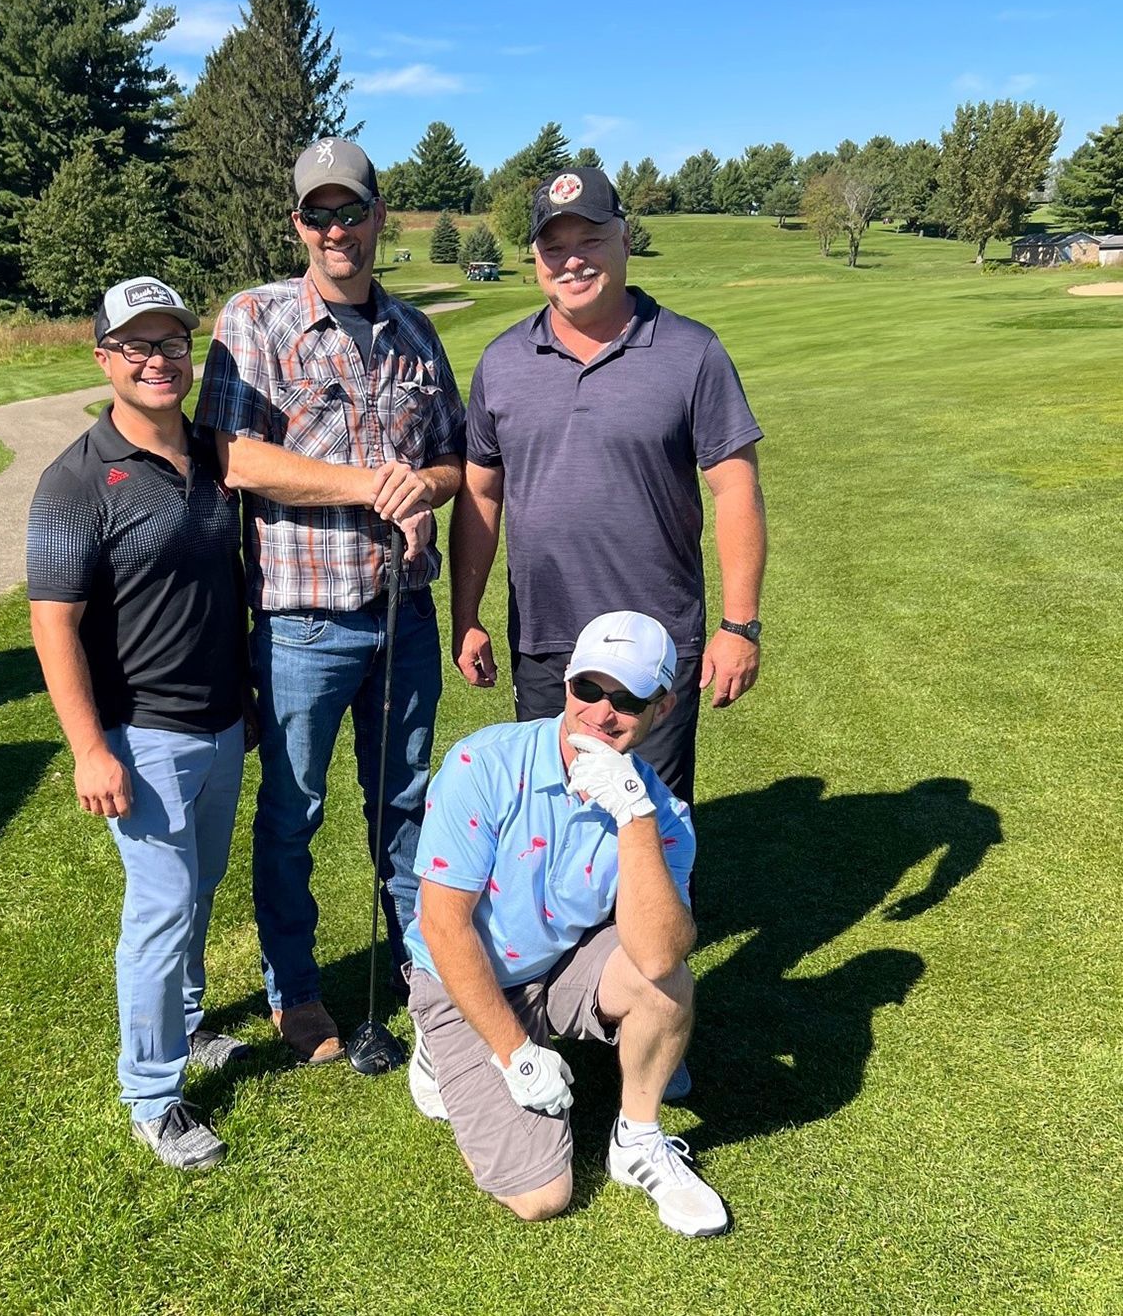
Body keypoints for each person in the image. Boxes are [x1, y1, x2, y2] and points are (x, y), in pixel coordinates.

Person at [195, 138, 466, 1065]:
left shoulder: (417, 334)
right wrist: (367, 487)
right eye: (318, 214)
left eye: (351, 211)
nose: (335, 229)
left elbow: (450, 463)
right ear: (297, 224)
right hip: (302, 622)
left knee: (408, 807)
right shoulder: (255, 320)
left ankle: (425, 972)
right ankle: (297, 991)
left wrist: (419, 499)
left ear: (379, 215)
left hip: (405, 618)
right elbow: (233, 458)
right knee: (292, 813)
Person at [449, 166, 766, 812]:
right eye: (553, 247)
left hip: (656, 642)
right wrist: (466, 617)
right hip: (547, 643)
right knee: (555, 822)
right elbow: (480, 494)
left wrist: (741, 625)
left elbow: (735, 489)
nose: (572, 261)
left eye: (590, 240)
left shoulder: (691, 353)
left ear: (624, 239)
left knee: (651, 825)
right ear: (535, 258)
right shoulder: (503, 362)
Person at [404, 611, 728, 1236]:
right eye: (589, 689)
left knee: (666, 981)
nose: (603, 715)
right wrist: (517, 1053)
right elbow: (443, 926)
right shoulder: (484, 765)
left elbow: (661, 956)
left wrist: (634, 817)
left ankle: (638, 1141)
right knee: (543, 1196)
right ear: (567, 683)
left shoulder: (661, 811)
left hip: (555, 964)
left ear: (662, 707)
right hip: (459, 975)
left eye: (629, 700)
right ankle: (439, 1047)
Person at [27, 276, 250, 1172]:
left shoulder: (208, 449)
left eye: (171, 343)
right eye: (137, 346)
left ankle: (187, 1028)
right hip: (142, 735)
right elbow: (53, 623)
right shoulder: (76, 479)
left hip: (223, 722)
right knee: (160, 908)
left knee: (198, 890)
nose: (158, 360)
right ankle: (152, 1094)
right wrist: (89, 748)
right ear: (104, 359)